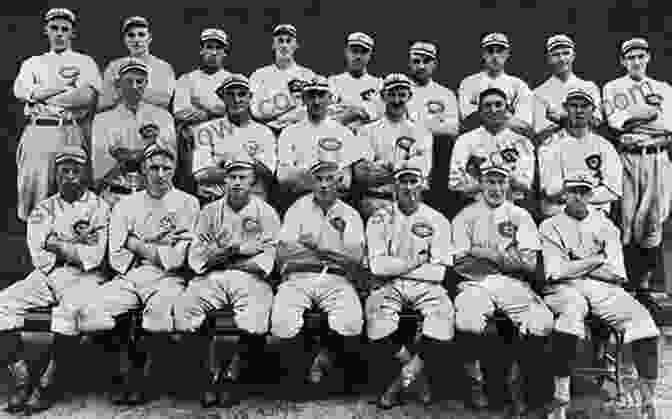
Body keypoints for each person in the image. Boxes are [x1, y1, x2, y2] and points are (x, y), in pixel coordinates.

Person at [79, 142, 199, 405]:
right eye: (153, 167)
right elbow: (117, 256)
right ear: (143, 169)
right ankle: (119, 371)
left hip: (169, 278)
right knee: (91, 312)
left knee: (158, 315)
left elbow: (177, 257)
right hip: (132, 274)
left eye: (166, 168)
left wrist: (135, 242)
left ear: (174, 170)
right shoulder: (126, 205)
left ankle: (143, 378)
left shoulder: (188, 203)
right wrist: (157, 246)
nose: (159, 174)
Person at [539, 172, 661, 418]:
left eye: (583, 191)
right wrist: (597, 260)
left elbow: (617, 274)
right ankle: (560, 400)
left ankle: (648, 400)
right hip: (563, 288)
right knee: (570, 316)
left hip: (601, 287)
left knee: (643, 320)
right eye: (573, 191)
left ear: (591, 195)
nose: (578, 197)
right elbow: (554, 272)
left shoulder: (606, 226)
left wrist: (575, 264)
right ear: (564, 194)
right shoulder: (549, 225)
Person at [0, 146, 110, 414]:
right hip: (47, 274)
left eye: (76, 171)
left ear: (84, 173)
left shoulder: (99, 207)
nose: (70, 177)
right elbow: (40, 254)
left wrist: (56, 243)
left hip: (84, 276)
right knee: (2, 304)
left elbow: (93, 256)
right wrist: (73, 246)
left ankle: (47, 384)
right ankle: (22, 377)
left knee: (69, 313)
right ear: (56, 175)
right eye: (64, 171)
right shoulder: (43, 208)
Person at [173, 154, 281, 408]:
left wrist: (225, 255)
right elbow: (197, 257)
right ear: (224, 180)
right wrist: (237, 250)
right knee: (186, 309)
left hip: (250, 276)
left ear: (253, 181)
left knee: (254, 314)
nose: (237, 183)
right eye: (232, 177)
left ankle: (234, 375)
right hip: (213, 276)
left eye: (243, 178)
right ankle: (210, 375)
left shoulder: (265, 212)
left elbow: (269, 257)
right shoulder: (210, 211)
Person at [452, 157, 553, 416]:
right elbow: (461, 264)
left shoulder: (519, 215)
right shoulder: (466, 216)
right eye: (490, 181)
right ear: (481, 184)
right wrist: (502, 255)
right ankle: (477, 384)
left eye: (501, 181)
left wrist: (484, 254)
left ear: (509, 184)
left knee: (540, 322)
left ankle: (515, 385)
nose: (496, 188)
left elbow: (529, 264)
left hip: (511, 283)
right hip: (474, 283)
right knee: (468, 322)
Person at [270, 156, 366, 398]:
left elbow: (355, 259)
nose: (324, 185)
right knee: (282, 322)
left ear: (339, 182)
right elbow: (283, 253)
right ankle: (298, 374)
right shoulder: (297, 208)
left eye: (329, 179)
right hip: (298, 276)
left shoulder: (350, 214)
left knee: (351, 321)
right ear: (312, 182)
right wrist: (333, 251)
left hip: (336, 279)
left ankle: (324, 359)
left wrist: (315, 247)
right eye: (319, 179)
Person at [364, 160, 455, 409]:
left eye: (413, 181)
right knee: (376, 320)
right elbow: (377, 266)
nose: (408, 187)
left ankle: (400, 380)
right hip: (389, 284)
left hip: (427, 285)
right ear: (394, 186)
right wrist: (415, 261)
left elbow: (438, 272)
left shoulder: (437, 219)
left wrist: (398, 264)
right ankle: (416, 373)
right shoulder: (380, 217)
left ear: (422, 184)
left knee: (442, 316)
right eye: (402, 181)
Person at [13, 8, 102, 222]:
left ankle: (72, 242)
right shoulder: (33, 62)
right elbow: (21, 91)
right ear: (46, 30)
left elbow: (85, 98)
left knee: (71, 188)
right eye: (54, 28)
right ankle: (38, 241)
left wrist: (41, 96)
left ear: (73, 33)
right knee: (36, 191)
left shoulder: (84, 61)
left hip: (70, 129)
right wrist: (64, 88)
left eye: (65, 29)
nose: (59, 33)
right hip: (39, 130)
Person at [603, 37, 672, 293]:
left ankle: (644, 288)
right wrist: (649, 115)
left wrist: (637, 120)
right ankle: (626, 287)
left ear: (648, 58)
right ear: (623, 61)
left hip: (657, 157)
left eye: (640, 56)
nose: (636, 61)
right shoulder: (613, 88)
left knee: (654, 220)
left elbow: (668, 126)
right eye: (630, 57)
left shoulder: (663, 87)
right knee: (627, 221)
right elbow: (615, 122)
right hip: (629, 158)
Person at [90, 58, 176, 208]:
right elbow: (101, 169)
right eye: (128, 81)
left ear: (146, 84)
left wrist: (125, 156)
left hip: (153, 194)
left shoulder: (163, 117)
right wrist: (146, 151)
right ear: (118, 85)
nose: (134, 86)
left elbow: (168, 160)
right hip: (115, 196)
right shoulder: (102, 120)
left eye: (139, 81)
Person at [276, 76, 364, 213]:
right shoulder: (289, 133)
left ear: (330, 98)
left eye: (321, 95)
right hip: (299, 203)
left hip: (334, 204)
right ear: (304, 99)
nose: (316, 101)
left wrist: (302, 174)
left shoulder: (344, 133)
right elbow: (283, 177)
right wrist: (328, 176)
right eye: (311, 96)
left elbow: (345, 182)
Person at [354, 73, 433, 220]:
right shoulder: (366, 131)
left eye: (402, 95)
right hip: (376, 202)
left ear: (409, 97)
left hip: (411, 202)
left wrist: (385, 165)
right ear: (383, 96)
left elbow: (421, 172)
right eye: (392, 94)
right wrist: (405, 164)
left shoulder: (422, 132)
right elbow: (362, 174)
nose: (397, 100)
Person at [190, 74, 277, 205]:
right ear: (223, 97)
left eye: (242, 94)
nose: (236, 100)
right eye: (230, 95)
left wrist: (223, 165)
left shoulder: (264, 132)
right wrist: (249, 166)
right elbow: (201, 174)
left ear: (250, 97)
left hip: (253, 204)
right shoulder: (206, 130)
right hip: (214, 203)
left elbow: (268, 173)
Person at [449, 88, 535, 216]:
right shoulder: (465, 140)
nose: (493, 110)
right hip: (475, 207)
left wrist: (483, 176)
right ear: (480, 111)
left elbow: (525, 184)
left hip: (513, 207)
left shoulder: (523, 142)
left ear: (508, 110)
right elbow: (455, 183)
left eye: (498, 105)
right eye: (487, 106)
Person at [539, 89, 622, 219]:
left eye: (584, 106)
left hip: (595, 211)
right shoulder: (550, 145)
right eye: (574, 106)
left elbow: (613, 190)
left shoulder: (604, 146)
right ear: (565, 108)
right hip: (559, 211)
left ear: (593, 110)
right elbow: (550, 189)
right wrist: (577, 199)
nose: (579, 110)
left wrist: (582, 199)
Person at [173, 28, 232, 193]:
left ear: (224, 52)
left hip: (224, 136)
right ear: (201, 50)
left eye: (218, 48)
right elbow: (180, 112)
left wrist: (200, 105)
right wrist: (213, 112)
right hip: (194, 139)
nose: (213, 52)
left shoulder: (232, 79)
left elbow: (235, 112)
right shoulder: (187, 79)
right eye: (209, 47)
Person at [405, 41, 460, 217]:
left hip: (437, 163)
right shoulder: (399, 91)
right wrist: (433, 124)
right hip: (404, 157)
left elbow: (452, 128)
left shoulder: (445, 94)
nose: (421, 66)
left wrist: (415, 124)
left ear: (434, 64)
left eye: (426, 61)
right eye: (416, 61)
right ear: (409, 63)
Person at [458, 33, 533, 137]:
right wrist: (506, 114)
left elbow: (523, 125)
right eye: (490, 51)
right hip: (477, 141)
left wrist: (484, 114)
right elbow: (467, 120)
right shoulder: (468, 83)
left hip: (510, 141)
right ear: (483, 54)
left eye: (500, 51)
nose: (495, 56)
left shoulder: (519, 85)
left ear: (507, 54)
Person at [532, 34, 601, 143]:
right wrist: (580, 118)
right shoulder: (538, 93)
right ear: (549, 59)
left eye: (566, 53)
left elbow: (596, 124)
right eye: (556, 55)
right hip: (553, 150)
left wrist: (561, 119)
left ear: (573, 56)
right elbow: (541, 133)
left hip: (586, 147)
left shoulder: (589, 87)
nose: (562, 59)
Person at [98, 16, 175, 112]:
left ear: (149, 38)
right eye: (131, 35)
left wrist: (123, 91)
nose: (136, 40)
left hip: (154, 119)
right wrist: (144, 94)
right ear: (125, 40)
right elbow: (104, 102)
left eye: (141, 34)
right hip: (120, 119)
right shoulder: (114, 66)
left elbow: (164, 101)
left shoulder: (163, 67)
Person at [249, 24, 315, 134]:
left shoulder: (308, 75)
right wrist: (292, 100)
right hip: (268, 134)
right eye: (280, 41)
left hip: (301, 133)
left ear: (296, 45)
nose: (284, 45)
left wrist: (279, 119)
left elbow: (313, 109)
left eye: (288, 41)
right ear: (273, 45)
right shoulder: (259, 75)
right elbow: (256, 111)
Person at [327, 32, 382, 132]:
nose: (358, 56)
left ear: (370, 55)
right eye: (354, 51)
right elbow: (329, 116)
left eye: (364, 52)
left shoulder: (379, 84)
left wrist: (349, 111)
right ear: (346, 52)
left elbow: (381, 114)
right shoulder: (333, 82)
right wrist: (359, 112)